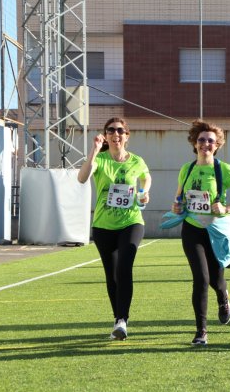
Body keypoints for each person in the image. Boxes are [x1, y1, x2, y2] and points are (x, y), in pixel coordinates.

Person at [172, 119, 230, 345]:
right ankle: (201, 331)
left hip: (215, 232)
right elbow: (178, 198)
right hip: (192, 230)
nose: (205, 144)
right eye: (201, 140)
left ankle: (223, 297)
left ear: (217, 145)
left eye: (210, 141)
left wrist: (227, 208)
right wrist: (177, 206)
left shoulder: (223, 169)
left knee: (216, 280)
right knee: (200, 278)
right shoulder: (186, 169)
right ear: (194, 143)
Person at [77, 117, 151, 340]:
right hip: (103, 225)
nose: (115, 134)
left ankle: (122, 320)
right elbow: (82, 178)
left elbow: (146, 177)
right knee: (112, 275)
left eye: (120, 130)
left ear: (127, 136)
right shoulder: (99, 159)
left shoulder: (136, 161)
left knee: (124, 268)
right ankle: (117, 318)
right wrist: (94, 149)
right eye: (111, 130)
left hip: (131, 222)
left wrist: (144, 191)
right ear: (106, 135)